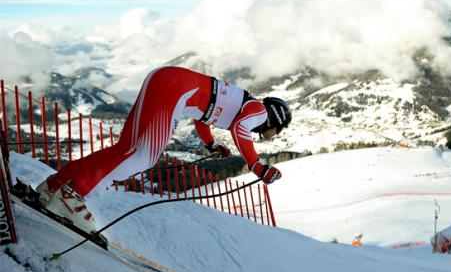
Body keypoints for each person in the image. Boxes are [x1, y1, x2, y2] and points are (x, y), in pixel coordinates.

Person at [33, 66, 292, 234]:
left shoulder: (245, 103)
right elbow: (240, 130)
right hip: (175, 90)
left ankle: (56, 186)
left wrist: (211, 144)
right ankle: (71, 195)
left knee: (126, 149)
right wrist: (258, 166)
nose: (275, 134)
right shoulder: (259, 111)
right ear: (276, 119)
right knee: (143, 156)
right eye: (278, 130)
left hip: (168, 81)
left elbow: (204, 115)